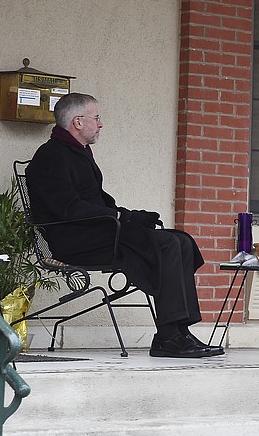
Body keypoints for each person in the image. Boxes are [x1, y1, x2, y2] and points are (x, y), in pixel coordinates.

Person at [25, 92, 223, 358]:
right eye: (97, 117)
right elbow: (68, 209)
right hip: (75, 242)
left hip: (98, 233)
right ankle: (168, 337)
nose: (101, 123)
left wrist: (128, 214)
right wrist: (121, 218)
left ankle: (179, 330)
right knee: (166, 245)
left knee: (181, 240)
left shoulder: (77, 152)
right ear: (78, 122)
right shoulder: (50, 156)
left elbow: (97, 202)